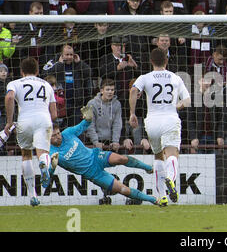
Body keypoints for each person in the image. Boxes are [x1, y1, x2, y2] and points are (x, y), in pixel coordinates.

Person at [48, 105, 161, 206]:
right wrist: (52, 168)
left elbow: (85, 124)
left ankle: (148, 168)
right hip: (93, 173)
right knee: (123, 189)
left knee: (121, 158)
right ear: (48, 137)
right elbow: (45, 180)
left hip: (96, 156)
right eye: (54, 135)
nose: (58, 136)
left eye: (58, 133)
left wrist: (88, 118)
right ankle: (152, 199)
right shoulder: (51, 152)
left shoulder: (67, 133)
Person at [129, 47, 191, 205]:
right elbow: (187, 100)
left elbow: (133, 91)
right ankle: (171, 178)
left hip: (152, 121)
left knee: (157, 156)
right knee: (172, 153)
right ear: (166, 60)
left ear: (151, 61)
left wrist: (132, 113)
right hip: (170, 119)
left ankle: (162, 196)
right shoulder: (175, 77)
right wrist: (177, 106)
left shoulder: (145, 77)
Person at [4, 57, 57, 206]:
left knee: (26, 154)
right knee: (43, 153)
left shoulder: (15, 83)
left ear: (21, 71)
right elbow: (54, 114)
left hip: (24, 121)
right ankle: (43, 164)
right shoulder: (46, 84)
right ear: (37, 71)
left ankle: (32, 195)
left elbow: (9, 97)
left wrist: (9, 121)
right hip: (43, 119)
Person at [86, 78, 123, 152]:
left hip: (110, 142)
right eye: (107, 90)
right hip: (94, 142)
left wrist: (115, 141)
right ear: (101, 90)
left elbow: (117, 124)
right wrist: (95, 142)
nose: (110, 92)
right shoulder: (91, 104)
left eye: (112, 90)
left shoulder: (117, 104)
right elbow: (90, 125)